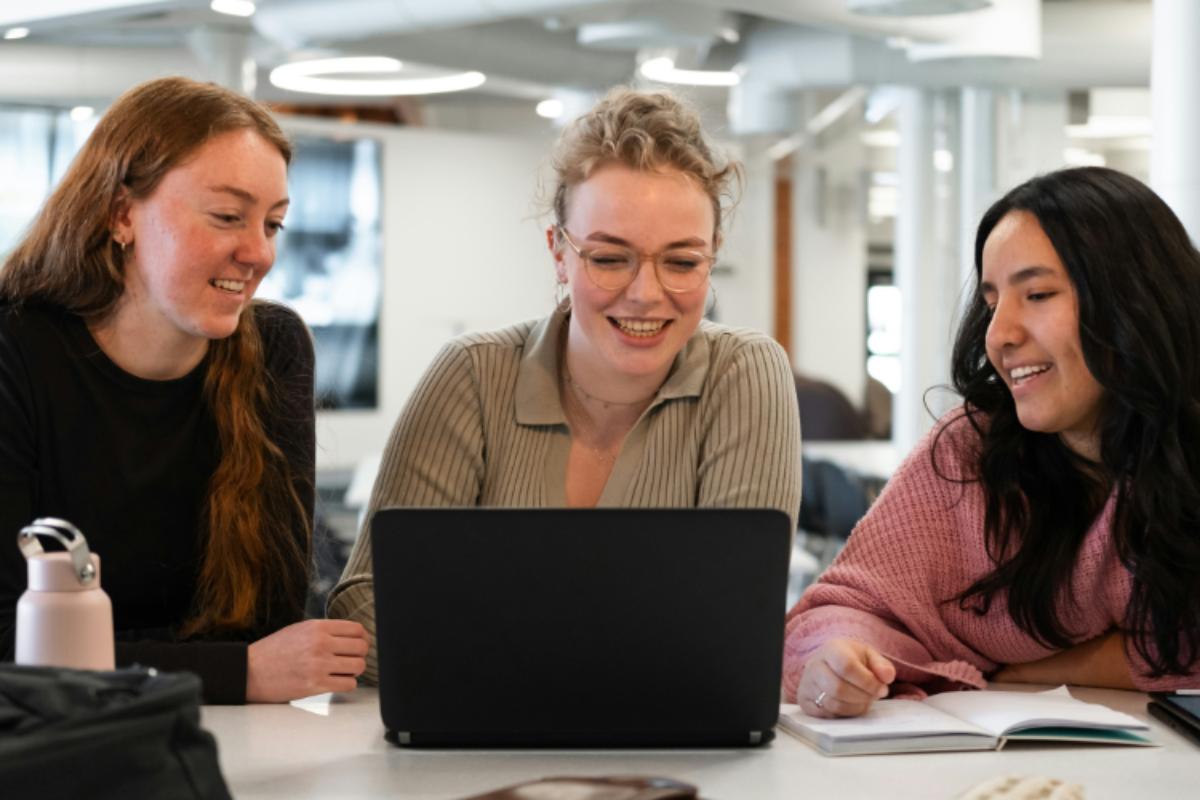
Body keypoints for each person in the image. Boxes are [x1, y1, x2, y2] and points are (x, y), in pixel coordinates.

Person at [329, 88, 802, 683]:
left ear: (712, 259)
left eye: (681, 262)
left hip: (674, 752)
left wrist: (487, 652)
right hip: (470, 749)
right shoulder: (473, 375)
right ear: (559, 253)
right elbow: (366, 607)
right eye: (609, 258)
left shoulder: (745, 373)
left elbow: (735, 622)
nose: (646, 293)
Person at [0, 76, 367, 703]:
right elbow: (12, 647)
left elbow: (270, 620)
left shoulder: (274, 348)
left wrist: (229, 665)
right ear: (121, 215)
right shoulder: (17, 350)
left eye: (273, 224)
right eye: (228, 217)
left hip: (230, 735)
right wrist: (233, 672)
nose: (258, 253)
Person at [785, 166, 1200, 718]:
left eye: (1038, 293)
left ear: (1135, 299)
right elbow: (836, 611)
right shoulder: (969, 450)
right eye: (991, 300)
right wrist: (835, 657)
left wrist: (1041, 670)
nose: (999, 334)